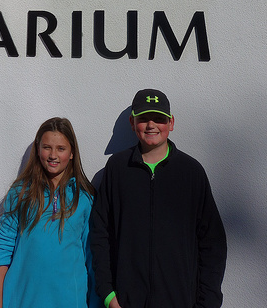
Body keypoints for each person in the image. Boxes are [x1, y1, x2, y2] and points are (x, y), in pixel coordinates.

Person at [90, 89, 227, 308]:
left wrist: (207, 302)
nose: (151, 125)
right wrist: (107, 294)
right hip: (126, 302)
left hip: (180, 301)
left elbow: (213, 243)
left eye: (159, 119)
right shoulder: (117, 168)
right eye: (143, 118)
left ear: (171, 123)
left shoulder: (191, 172)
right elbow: (100, 233)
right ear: (132, 122)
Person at [0, 116, 101, 308]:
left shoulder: (84, 198)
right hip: (23, 300)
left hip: (70, 301)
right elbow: (3, 251)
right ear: (38, 149)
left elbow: (92, 257)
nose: (53, 155)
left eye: (61, 148)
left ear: (72, 153)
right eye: (47, 147)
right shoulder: (20, 193)